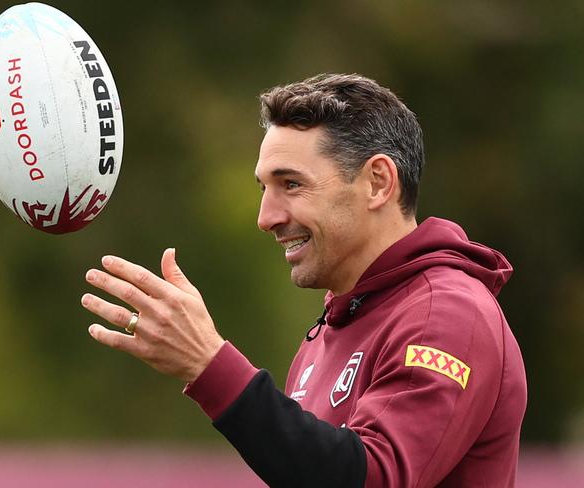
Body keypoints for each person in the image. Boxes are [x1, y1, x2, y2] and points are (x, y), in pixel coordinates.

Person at [81, 74, 527, 487]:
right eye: (264, 188)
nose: (266, 217)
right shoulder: (333, 326)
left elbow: (373, 477)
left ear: (377, 183)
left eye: (291, 184)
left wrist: (209, 364)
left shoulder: (447, 314)